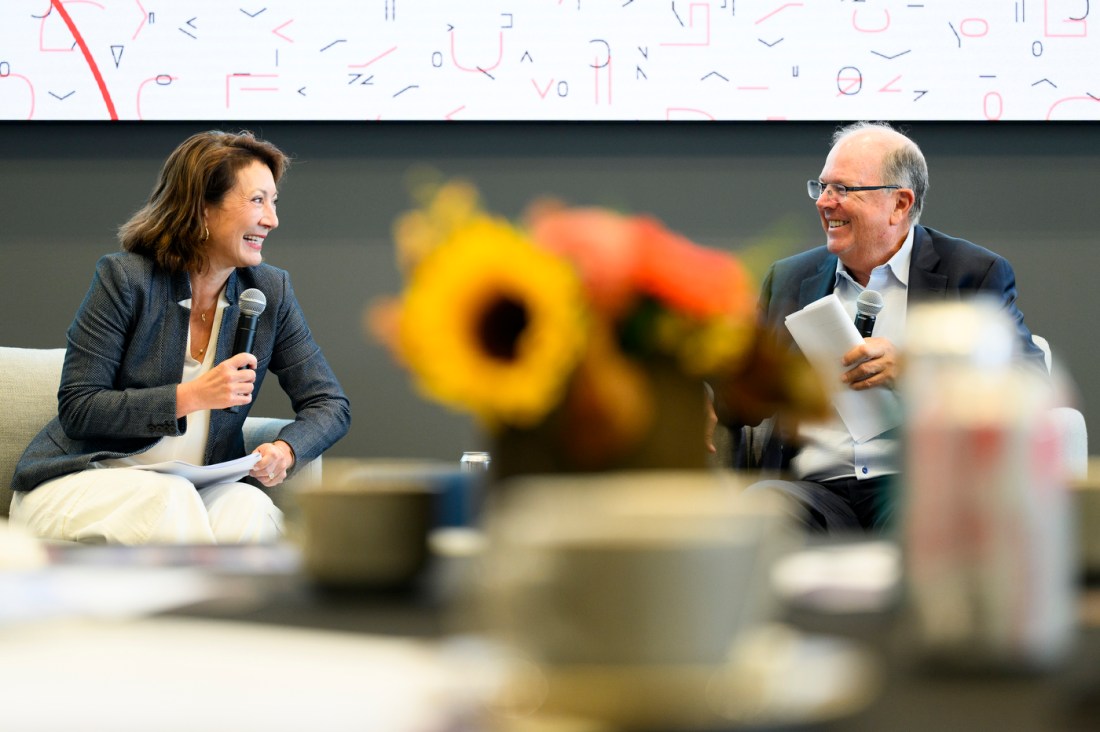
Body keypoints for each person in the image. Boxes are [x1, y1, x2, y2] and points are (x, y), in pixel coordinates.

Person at [9, 130, 351, 544]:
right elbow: (81, 408)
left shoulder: (268, 292)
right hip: (83, 480)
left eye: (273, 201)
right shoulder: (126, 279)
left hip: (192, 490)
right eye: (257, 200)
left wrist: (286, 450)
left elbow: (328, 404)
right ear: (202, 207)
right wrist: (192, 396)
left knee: (249, 508)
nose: (272, 219)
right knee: (168, 499)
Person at [718, 121, 1045, 533]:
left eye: (844, 189)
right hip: (813, 490)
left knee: (934, 522)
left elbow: (1029, 380)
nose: (825, 203)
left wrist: (914, 369)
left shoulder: (972, 274)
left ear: (900, 204)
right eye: (822, 187)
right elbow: (745, 399)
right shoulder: (788, 279)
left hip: (916, 485)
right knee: (762, 507)